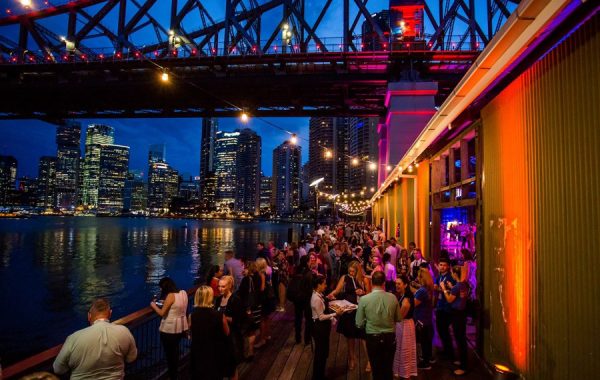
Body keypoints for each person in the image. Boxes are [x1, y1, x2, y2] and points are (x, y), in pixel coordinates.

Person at [53, 298, 137, 379]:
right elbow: (131, 358)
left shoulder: (73, 338)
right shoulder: (124, 331)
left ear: (89, 316)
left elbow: (58, 369)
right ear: (110, 313)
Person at [356, 271, 402, 380]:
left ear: (372, 283)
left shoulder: (364, 299)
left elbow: (359, 323)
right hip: (390, 337)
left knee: (376, 370)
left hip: (373, 338)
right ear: (384, 283)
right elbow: (399, 318)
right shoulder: (393, 297)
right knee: (388, 369)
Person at [327, 261, 367, 370]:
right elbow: (337, 290)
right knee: (350, 336)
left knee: (364, 336)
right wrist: (332, 294)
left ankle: (369, 360)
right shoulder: (345, 277)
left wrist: (363, 292)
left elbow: (369, 293)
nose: (351, 273)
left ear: (358, 270)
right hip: (348, 309)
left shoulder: (363, 279)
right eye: (350, 270)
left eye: (353, 271)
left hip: (360, 309)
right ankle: (352, 358)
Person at [150, 277, 189, 380]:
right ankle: (176, 373)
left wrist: (153, 305)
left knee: (170, 356)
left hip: (169, 330)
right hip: (181, 328)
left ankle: (173, 376)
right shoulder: (183, 293)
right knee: (175, 353)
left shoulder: (170, 296)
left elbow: (162, 313)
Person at [189, 286, 229, 380]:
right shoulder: (219, 315)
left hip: (198, 352)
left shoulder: (192, 316)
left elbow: (191, 335)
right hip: (215, 351)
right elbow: (227, 332)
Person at [311, 275, 342, 380]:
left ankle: (319, 375)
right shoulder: (316, 299)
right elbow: (321, 317)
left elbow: (323, 300)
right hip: (319, 328)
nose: (326, 285)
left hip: (322, 328)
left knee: (322, 352)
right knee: (320, 353)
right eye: (324, 283)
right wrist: (335, 314)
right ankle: (318, 376)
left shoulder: (318, 294)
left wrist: (327, 298)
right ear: (318, 285)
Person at [440, 266, 469, 376]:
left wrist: (443, 288)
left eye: (452, 272)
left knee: (460, 339)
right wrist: (451, 287)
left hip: (457, 314)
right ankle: (462, 361)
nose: (451, 274)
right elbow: (459, 295)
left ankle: (463, 367)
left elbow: (449, 299)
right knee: (461, 338)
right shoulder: (464, 284)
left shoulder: (457, 287)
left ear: (455, 274)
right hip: (462, 313)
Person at [214, 276, 245, 380]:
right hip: (220, 337)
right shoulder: (218, 299)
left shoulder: (236, 300)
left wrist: (223, 317)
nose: (220, 289)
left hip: (232, 337)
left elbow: (239, 320)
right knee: (222, 365)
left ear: (230, 286)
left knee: (232, 367)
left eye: (223, 286)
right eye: (219, 286)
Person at [393, 275, 417, 379]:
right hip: (404, 324)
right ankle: (401, 371)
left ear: (405, 285)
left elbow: (400, 316)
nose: (396, 286)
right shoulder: (402, 295)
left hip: (405, 325)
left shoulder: (406, 299)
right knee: (401, 348)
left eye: (399, 284)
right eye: (396, 283)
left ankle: (405, 373)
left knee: (404, 349)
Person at [434, 258, 457, 362]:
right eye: (440, 264)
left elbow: (450, 291)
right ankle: (446, 350)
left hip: (447, 307)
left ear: (448, 266)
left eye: (444, 265)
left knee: (445, 331)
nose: (442, 267)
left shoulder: (450, 278)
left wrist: (440, 289)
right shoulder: (439, 277)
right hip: (439, 306)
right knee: (441, 330)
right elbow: (436, 287)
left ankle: (450, 354)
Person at [238, 261, 262, 359]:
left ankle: (247, 352)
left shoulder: (246, 279)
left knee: (247, 329)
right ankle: (251, 350)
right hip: (257, 304)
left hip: (248, 307)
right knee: (253, 329)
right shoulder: (258, 277)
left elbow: (241, 293)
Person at [413, 268, 434, 369]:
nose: (417, 278)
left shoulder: (421, 291)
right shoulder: (428, 288)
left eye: (418, 276)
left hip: (421, 319)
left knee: (424, 341)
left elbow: (414, 304)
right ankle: (429, 358)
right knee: (427, 341)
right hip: (428, 317)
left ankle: (425, 363)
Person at [254, 257, 274, 348]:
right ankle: (267, 335)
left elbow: (262, 288)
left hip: (264, 299)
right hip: (269, 298)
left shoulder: (261, 274)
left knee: (262, 319)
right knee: (266, 318)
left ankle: (262, 340)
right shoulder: (268, 271)